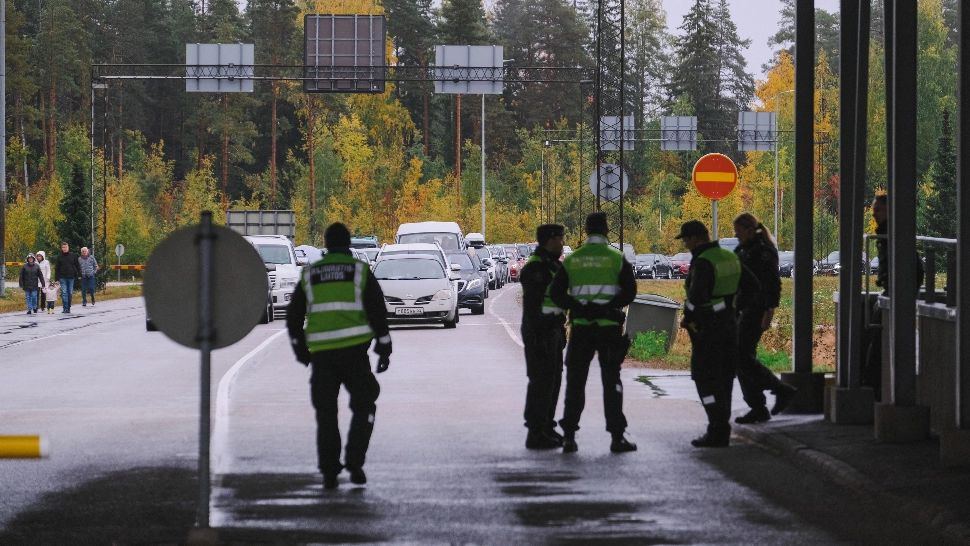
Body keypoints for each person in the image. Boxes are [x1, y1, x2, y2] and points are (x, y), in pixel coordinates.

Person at [286, 222, 392, 490]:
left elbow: (293, 316)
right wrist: (383, 348)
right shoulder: (360, 271)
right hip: (356, 354)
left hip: (322, 358)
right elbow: (378, 312)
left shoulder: (310, 274)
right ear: (349, 245)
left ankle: (330, 471)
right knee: (364, 406)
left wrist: (301, 350)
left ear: (326, 244)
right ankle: (355, 462)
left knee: (326, 414)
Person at [549, 212, 638, 454]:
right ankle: (617, 436)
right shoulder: (617, 259)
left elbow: (557, 293)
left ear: (586, 230)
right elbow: (630, 292)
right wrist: (607, 305)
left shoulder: (573, 259)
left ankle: (569, 436)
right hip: (609, 329)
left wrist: (579, 305)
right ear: (607, 230)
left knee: (575, 383)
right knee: (612, 382)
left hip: (581, 328)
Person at [677, 220, 741, 448]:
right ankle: (722, 427)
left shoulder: (703, 261)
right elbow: (748, 286)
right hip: (730, 325)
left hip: (707, 329)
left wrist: (689, 318)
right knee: (725, 377)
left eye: (686, 240)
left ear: (696, 238)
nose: (685, 245)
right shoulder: (730, 256)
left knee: (704, 378)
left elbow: (697, 298)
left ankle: (717, 428)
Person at [731, 213, 797, 424]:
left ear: (749, 230)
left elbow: (772, 284)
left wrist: (769, 311)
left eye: (739, 231)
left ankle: (778, 390)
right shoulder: (742, 250)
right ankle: (758, 405)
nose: (736, 235)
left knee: (741, 356)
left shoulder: (763, 252)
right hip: (742, 308)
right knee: (742, 358)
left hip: (757, 309)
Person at [519, 223, 567, 449]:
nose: (563, 243)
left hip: (553, 330)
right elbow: (534, 307)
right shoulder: (536, 268)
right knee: (541, 381)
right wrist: (540, 334)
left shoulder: (553, 266)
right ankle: (535, 431)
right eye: (560, 239)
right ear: (550, 240)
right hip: (539, 332)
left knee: (553, 381)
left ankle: (547, 425)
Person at [54, 242, 81, 314]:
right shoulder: (59, 257)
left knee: (70, 292)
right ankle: (65, 308)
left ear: (68, 248)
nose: (64, 249)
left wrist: (79, 275)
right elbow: (57, 268)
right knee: (64, 292)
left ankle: (68, 307)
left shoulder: (73, 256)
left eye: (66, 247)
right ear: (61, 248)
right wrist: (56, 279)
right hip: (62, 277)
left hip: (71, 277)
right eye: (63, 247)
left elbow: (77, 266)